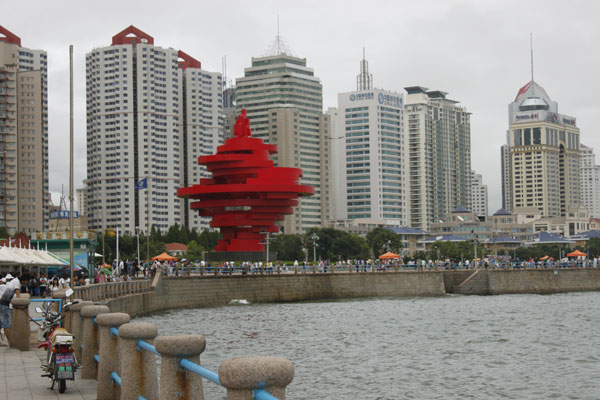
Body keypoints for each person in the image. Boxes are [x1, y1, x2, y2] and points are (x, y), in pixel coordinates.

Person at [0, 274, 21, 345]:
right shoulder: (13, 285)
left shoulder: (5, 286)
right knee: (6, 324)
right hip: (4, 305)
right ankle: (10, 342)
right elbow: (18, 296)